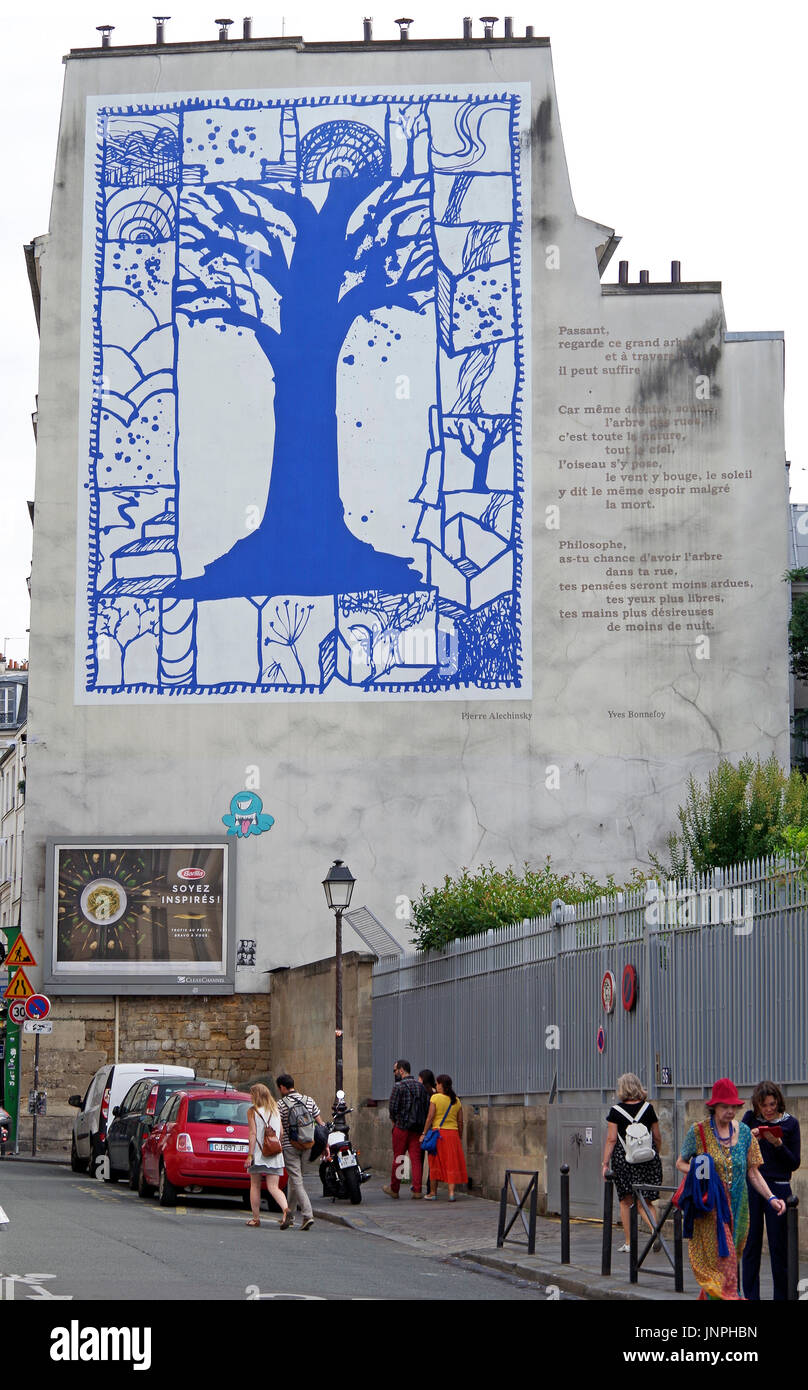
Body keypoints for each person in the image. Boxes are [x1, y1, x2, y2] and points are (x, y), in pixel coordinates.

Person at [675, 1077, 786, 1300]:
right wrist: (702, 1174)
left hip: (739, 1207)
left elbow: (753, 1172)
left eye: (733, 1106)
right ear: (713, 1107)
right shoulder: (698, 1132)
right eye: (724, 1106)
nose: (730, 1111)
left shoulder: (745, 1133)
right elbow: (681, 1162)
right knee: (719, 1266)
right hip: (710, 1210)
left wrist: (771, 1197)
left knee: (729, 1264)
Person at [741, 1080, 801, 1301]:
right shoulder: (749, 1119)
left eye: (772, 1104)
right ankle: (750, 1297)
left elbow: (794, 1162)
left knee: (779, 1247)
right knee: (751, 1244)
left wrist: (777, 1144)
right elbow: (737, 1148)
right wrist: (750, 1136)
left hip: (779, 1186)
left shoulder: (790, 1125)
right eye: (763, 1105)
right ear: (757, 1105)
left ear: (778, 1103)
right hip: (753, 1185)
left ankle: (782, 1296)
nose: (768, 1109)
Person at [602, 1073, 663, 1253]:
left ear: (621, 1089)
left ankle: (629, 1243)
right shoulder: (648, 1109)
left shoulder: (615, 1111)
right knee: (646, 1200)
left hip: (624, 1161)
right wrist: (656, 1154)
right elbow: (657, 1136)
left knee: (626, 1201)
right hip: (647, 1159)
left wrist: (605, 1163)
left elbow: (611, 1139)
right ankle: (654, 1230)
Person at [276, 1073, 326, 1231]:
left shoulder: (281, 1104)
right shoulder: (309, 1100)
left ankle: (307, 1214)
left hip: (290, 1146)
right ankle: (288, 1216)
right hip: (308, 1144)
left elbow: (279, 1127)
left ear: (282, 1087)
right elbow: (320, 1123)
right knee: (295, 1181)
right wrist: (325, 1144)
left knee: (296, 1181)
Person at [245, 1083, 291, 1229]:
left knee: (255, 1185)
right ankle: (285, 1210)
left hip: (258, 1154)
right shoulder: (275, 1110)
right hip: (275, 1154)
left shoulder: (252, 1111)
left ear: (255, 1095)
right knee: (273, 1187)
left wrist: (250, 1155)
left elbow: (252, 1134)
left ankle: (256, 1218)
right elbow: (282, 1133)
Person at [383, 1059, 429, 1199]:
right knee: (416, 1159)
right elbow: (425, 1106)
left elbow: (393, 1108)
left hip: (401, 1127)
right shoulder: (420, 1087)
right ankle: (417, 1190)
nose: (395, 1073)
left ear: (401, 1070)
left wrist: (394, 1121)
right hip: (416, 1128)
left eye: (395, 1070)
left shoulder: (398, 1086)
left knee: (399, 1158)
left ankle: (395, 1188)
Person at [420, 1073, 467, 1201]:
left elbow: (430, 1117)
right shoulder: (456, 1100)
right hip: (453, 1136)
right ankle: (451, 1193)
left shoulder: (435, 1098)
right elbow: (460, 1122)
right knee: (451, 1163)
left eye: (437, 1083)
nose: (436, 1085)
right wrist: (459, 1137)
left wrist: (424, 1133)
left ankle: (433, 1193)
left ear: (441, 1085)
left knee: (435, 1163)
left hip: (438, 1135)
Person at [418, 1070, 437, 1195]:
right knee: (432, 1160)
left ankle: (418, 1186)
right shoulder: (437, 1093)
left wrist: (423, 1132)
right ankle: (431, 1187)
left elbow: (425, 1113)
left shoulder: (423, 1092)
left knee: (419, 1158)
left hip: (424, 1128)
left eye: (420, 1078)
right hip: (435, 1129)